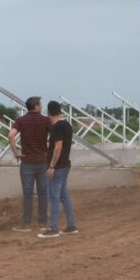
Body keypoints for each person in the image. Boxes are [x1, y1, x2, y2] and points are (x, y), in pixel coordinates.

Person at [8, 96, 51, 232]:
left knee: (28, 194)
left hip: (27, 162)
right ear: (37, 106)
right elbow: (54, 135)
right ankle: (42, 223)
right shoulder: (45, 120)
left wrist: (16, 152)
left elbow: (11, 135)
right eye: (41, 104)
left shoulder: (21, 121)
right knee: (43, 193)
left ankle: (26, 223)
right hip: (42, 161)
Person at [38, 100, 78, 239]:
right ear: (60, 111)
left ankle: (53, 227)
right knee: (64, 195)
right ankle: (71, 225)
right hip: (65, 165)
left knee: (54, 197)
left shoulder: (56, 127)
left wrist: (51, 166)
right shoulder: (67, 125)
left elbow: (58, 147)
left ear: (48, 113)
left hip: (58, 167)